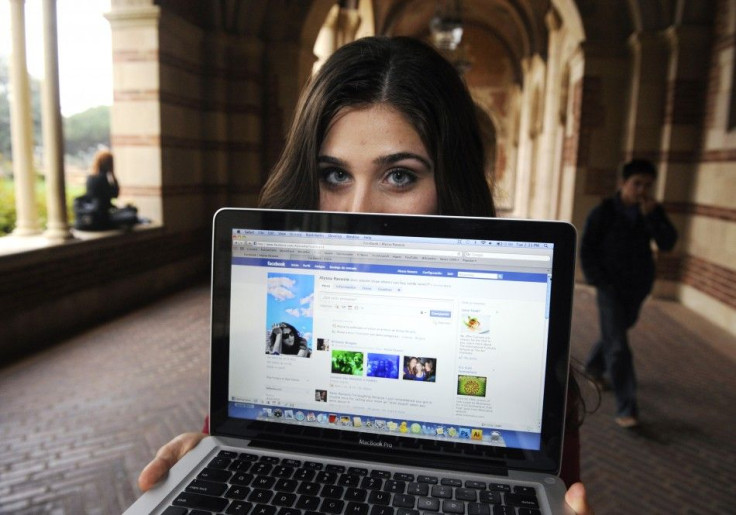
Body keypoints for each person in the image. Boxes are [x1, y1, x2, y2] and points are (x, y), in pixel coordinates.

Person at [138, 35, 594, 514]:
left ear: (450, 180)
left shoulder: (537, 372)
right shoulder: (269, 310)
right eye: (335, 175)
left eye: (399, 175)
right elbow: (244, 436)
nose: (356, 211)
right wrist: (211, 455)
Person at [581, 158, 678, 429]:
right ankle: (627, 407)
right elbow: (587, 248)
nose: (642, 190)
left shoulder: (652, 212)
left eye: (648, 185)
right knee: (619, 347)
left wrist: (653, 218)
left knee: (616, 334)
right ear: (623, 183)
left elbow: (668, 243)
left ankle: (592, 367)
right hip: (609, 287)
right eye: (637, 183)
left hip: (637, 288)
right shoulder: (603, 212)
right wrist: (598, 281)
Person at [73, 150, 145, 231]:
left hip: (96, 215)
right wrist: (113, 175)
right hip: (103, 218)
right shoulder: (102, 178)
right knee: (132, 212)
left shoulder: (90, 177)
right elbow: (115, 195)